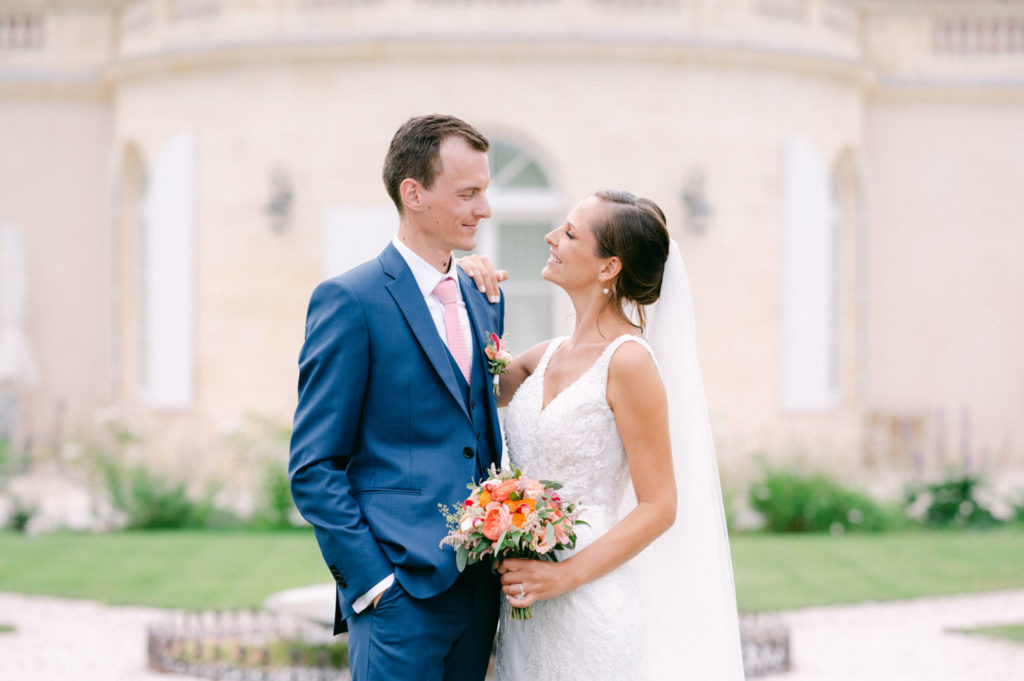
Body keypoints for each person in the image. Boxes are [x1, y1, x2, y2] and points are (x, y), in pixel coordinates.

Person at [476, 190, 745, 680]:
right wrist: (463, 288)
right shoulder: (545, 356)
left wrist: (562, 576)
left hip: (589, 603)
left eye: (570, 233)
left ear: (608, 267)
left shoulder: (629, 362)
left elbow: (659, 505)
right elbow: (462, 390)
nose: (551, 237)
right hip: (526, 603)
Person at [288, 114, 506, 681]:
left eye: (484, 192)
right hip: (398, 597)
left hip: (480, 591)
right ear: (413, 193)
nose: (484, 209)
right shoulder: (350, 300)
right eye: (467, 194)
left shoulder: (484, 297)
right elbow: (313, 467)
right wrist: (373, 585)